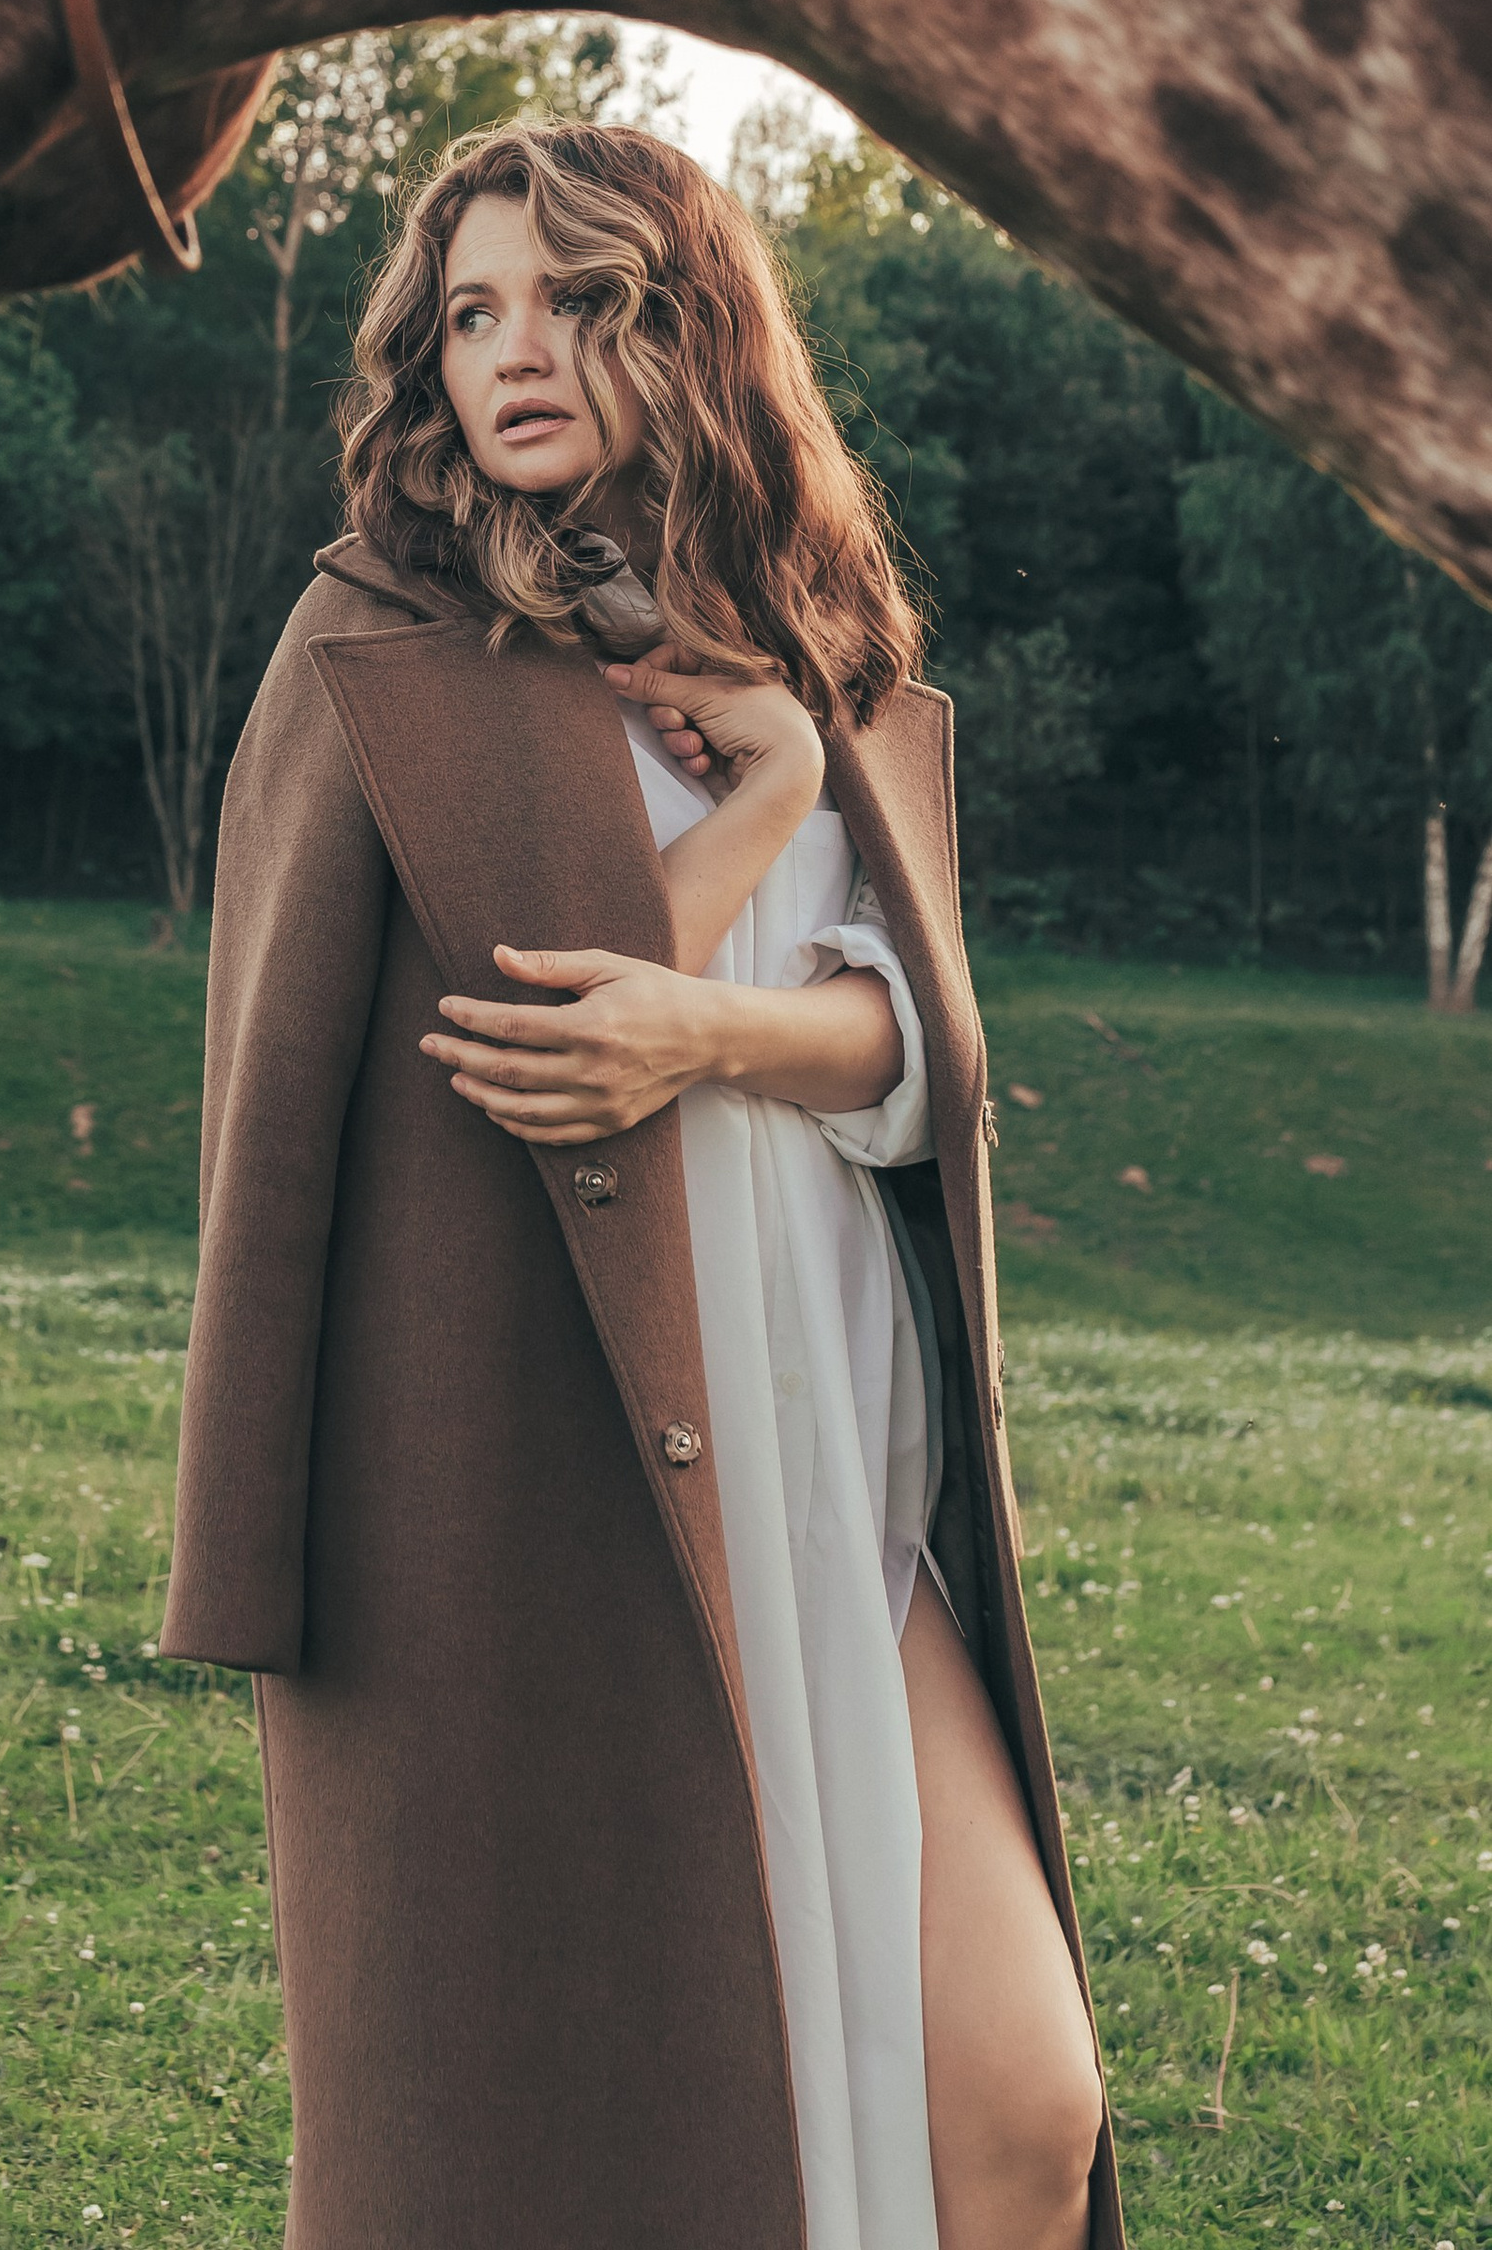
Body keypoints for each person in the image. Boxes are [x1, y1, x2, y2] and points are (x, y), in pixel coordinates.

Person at [160, 121, 1111, 2250]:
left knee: (1021, 2110)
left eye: (572, 301)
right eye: (469, 313)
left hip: (842, 1490)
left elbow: (928, 1058)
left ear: (686, 329)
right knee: (651, 2140)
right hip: (564, 1506)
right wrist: (743, 852)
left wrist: (766, 877)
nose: (512, 354)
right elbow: (543, 1045)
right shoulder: (384, 653)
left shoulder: (811, 651)